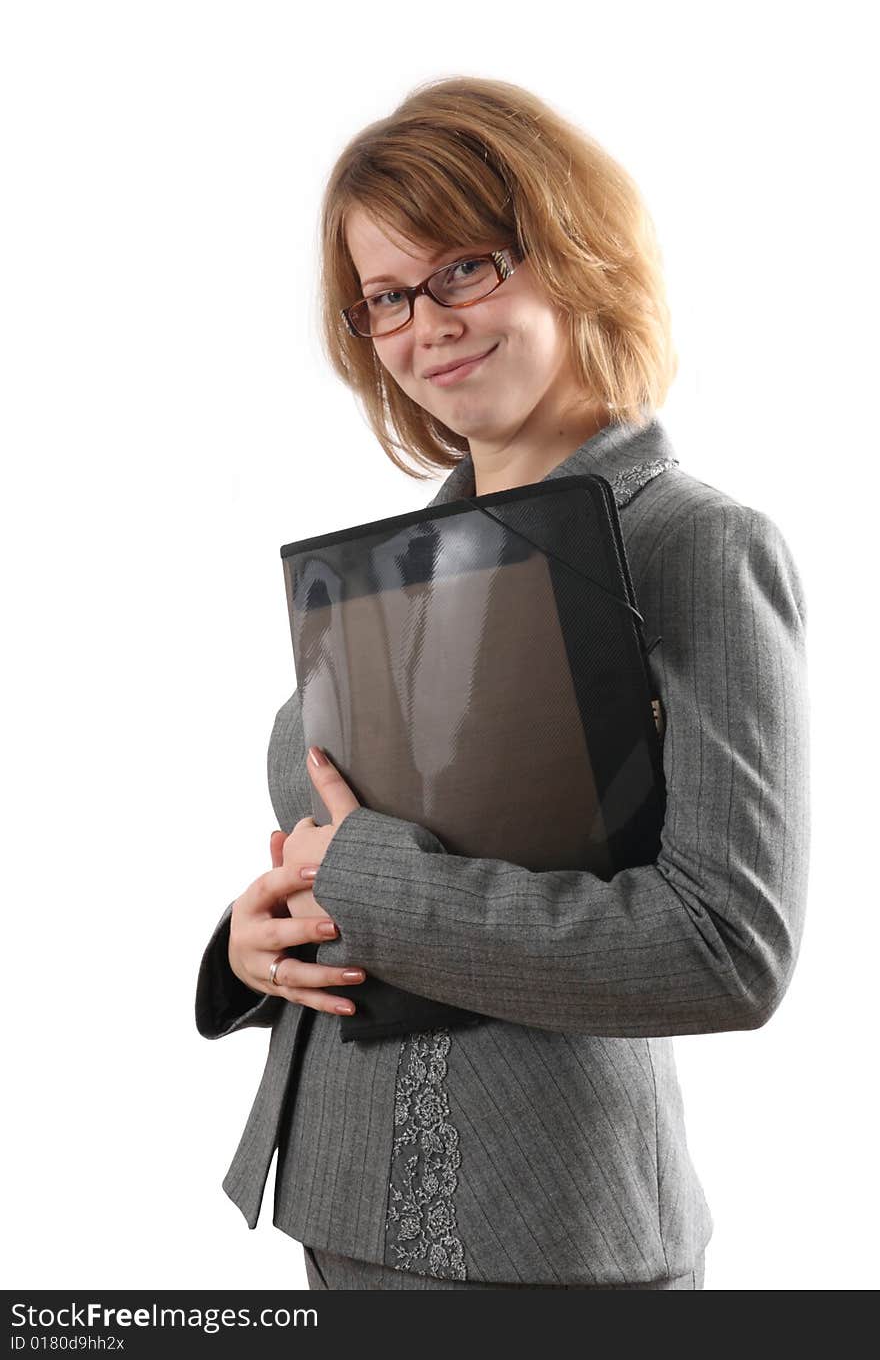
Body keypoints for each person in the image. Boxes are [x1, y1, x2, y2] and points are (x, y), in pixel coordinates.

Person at [195, 76, 810, 1291]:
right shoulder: (387, 569)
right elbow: (373, 845)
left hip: (540, 1234)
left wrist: (362, 875)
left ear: (572, 252)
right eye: (383, 297)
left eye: (463, 267)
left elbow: (724, 948)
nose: (426, 322)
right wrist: (257, 943)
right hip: (331, 1203)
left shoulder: (696, 546)